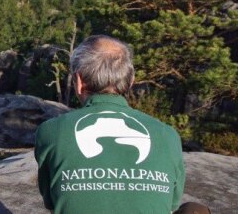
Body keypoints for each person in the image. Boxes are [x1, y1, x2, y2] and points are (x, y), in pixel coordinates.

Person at [34, 35, 187, 214]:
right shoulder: (167, 134)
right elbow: (172, 205)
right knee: (194, 210)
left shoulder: (51, 131)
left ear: (79, 82)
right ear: (131, 81)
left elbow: (52, 202)